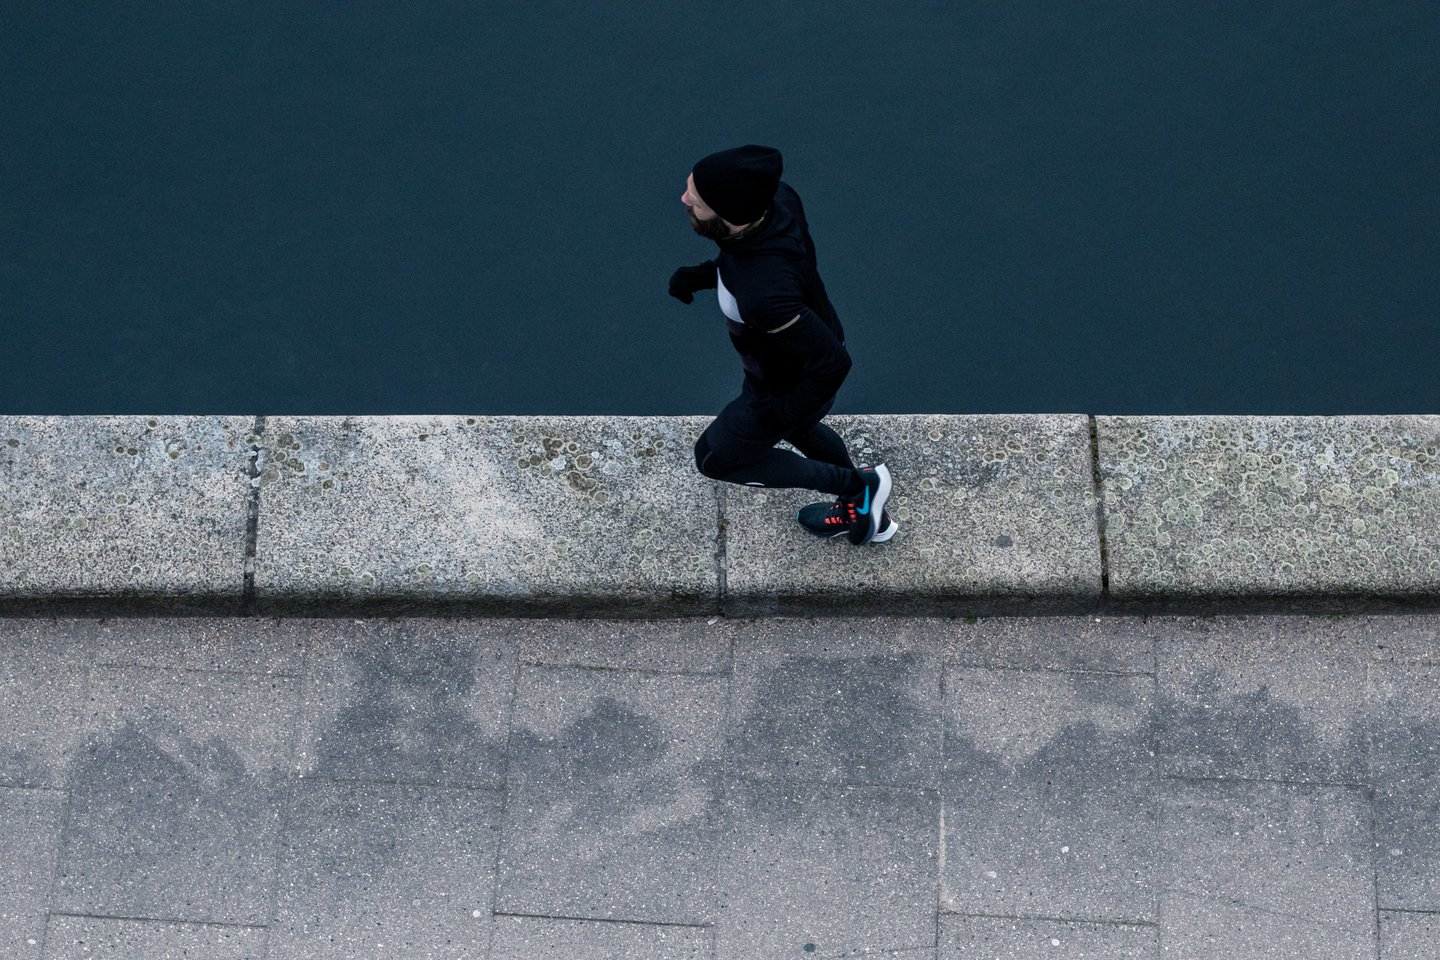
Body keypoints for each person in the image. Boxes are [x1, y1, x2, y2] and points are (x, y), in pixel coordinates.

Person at [668, 144, 895, 545]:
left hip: (784, 382)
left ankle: (863, 488)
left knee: (715, 458)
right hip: (784, 358)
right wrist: (708, 275)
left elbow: (832, 365)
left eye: (697, 201)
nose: (684, 199)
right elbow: (753, 257)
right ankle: (864, 514)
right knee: (804, 430)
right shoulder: (776, 201)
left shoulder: (764, 297)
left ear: (730, 218)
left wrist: (783, 414)